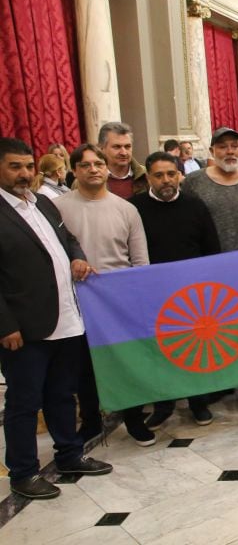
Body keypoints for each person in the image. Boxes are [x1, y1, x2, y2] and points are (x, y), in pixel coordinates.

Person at [0, 137, 113, 500]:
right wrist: (5, 325)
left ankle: (69, 454)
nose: (24, 173)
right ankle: (23, 472)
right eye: (15, 166)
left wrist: (77, 256)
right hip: (24, 327)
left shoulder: (45, 203)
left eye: (28, 166)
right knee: (24, 402)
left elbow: (70, 241)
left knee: (63, 394)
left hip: (66, 318)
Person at [54, 143, 154, 445]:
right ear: (74, 170)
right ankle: (91, 421)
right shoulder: (58, 207)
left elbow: (140, 260)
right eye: (85, 165)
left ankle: (134, 418)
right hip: (77, 298)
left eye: (98, 163)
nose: (94, 169)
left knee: (126, 360)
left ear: (106, 167)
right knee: (85, 365)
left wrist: (138, 297)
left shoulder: (126, 209)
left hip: (118, 298)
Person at [130, 152, 221, 430]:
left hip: (192, 295)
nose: (166, 180)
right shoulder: (134, 209)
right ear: (148, 178)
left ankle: (198, 402)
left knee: (193, 350)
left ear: (179, 175)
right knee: (159, 352)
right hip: (152, 294)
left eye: (171, 174)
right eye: (159, 175)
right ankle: (163, 405)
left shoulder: (196, 206)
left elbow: (211, 249)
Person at [183, 127, 238, 253]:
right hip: (209, 260)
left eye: (235, 146)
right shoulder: (193, 181)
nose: (230, 151)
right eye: (222, 147)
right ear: (212, 151)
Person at [97, 122, 147, 198]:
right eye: (117, 147)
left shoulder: (147, 176)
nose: (123, 153)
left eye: (127, 146)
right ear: (101, 148)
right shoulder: (89, 179)